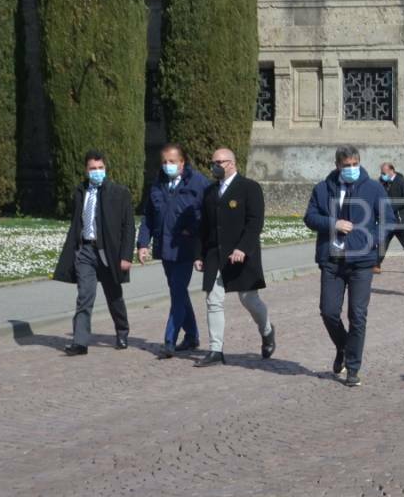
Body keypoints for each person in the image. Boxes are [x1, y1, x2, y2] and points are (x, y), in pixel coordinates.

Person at [305, 145, 390, 387]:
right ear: (337, 166)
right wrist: (334, 223)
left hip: (361, 261)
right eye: (347, 165)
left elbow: (388, 220)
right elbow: (309, 217)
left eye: (355, 164)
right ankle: (343, 346)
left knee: (357, 315)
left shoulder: (373, 188)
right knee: (328, 311)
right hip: (331, 260)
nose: (352, 169)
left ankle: (353, 367)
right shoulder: (323, 188)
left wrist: (374, 240)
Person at [194, 146, 274, 367]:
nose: (215, 167)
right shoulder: (210, 192)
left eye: (219, 162)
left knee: (249, 299)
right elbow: (205, 226)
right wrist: (199, 254)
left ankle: (267, 330)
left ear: (232, 163)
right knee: (213, 301)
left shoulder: (249, 188)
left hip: (241, 255)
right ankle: (215, 350)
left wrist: (242, 248)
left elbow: (255, 222)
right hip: (214, 254)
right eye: (213, 163)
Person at [53, 151, 135, 356]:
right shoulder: (81, 191)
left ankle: (122, 331)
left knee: (114, 295)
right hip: (86, 251)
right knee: (84, 296)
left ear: (105, 169)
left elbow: (129, 227)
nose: (96, 172)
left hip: (108, 253)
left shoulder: (119, 193)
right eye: (92, 169)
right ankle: (80, 342)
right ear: (86, 170)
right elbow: (77, 222)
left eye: (100, 168)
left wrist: (126, 256)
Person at [135, 142, 209, 356]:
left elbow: (207, 215)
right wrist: (142, 244)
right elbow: (149, 216)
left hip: (186, 249)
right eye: (164, 162)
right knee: (179, 292)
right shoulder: (158, 184)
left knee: (177, 292)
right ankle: (192, 335)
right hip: (164, 249)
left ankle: (169, 340)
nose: (167, 165)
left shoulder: (198, 184)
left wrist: (196, 235)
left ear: (182, 162)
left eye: (172, 162)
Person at [373, 162, 404, 274]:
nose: (382, 175)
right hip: (386, 220)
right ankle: (376, 265)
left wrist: (391, 207)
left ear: (392, 171)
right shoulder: (381, 182)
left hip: (399, 220)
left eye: (384, 173)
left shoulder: (402, 182)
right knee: (383, 242)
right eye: (381, 173)